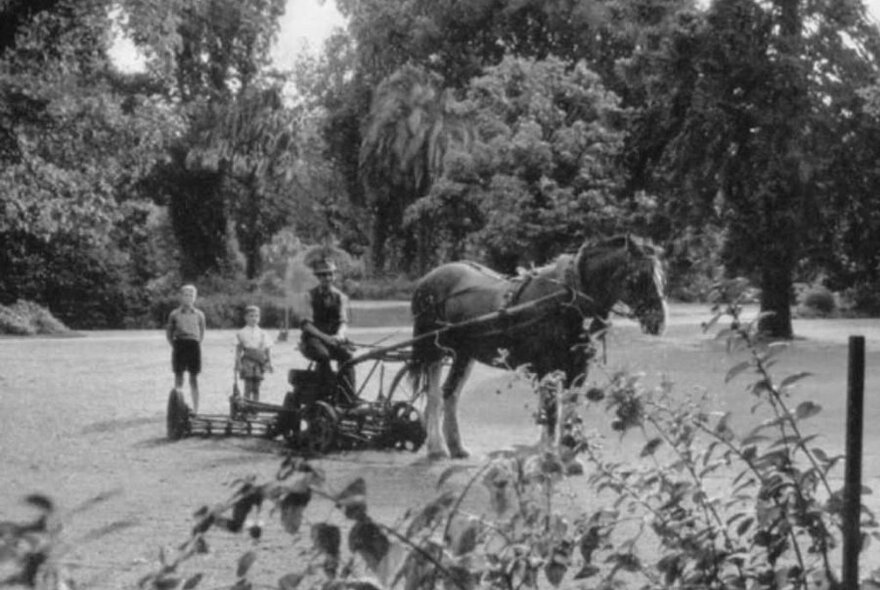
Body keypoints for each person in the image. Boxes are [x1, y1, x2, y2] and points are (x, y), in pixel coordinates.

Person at [300, 259, 355, 391]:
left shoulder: (341, 297)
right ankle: (326, 391)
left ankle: (348, 396)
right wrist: (326, 338)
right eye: (323, 275)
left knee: (347, 357)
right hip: (313, 339)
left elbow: (343, 321)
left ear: (334, 276)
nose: (327, 278)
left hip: (333, 338)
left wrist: (340, 334)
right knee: (323, 356)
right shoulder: (308, 296)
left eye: (330, 274)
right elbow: (306, 325)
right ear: (318, 277)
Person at [166, 284, 206, 413]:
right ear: (180, 297)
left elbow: (202, 332)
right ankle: (178, 406)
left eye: (191, 295)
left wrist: (196, 342)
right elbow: (169, 332)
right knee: (179, 376)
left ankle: (196, 408)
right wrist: (175, 345)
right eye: (185, 295)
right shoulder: (174, 314)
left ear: (195, 297)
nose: (188, 298)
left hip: (193, 345)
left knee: (193, 378)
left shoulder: (199, 315)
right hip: (179, 345)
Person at [234, 305, 273, 403]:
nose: (254, 318)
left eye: (256, 316)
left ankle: (255, 409)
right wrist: (238, 363)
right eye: (251, 316)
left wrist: (269, 362)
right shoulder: (241, 332)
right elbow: (238, 349)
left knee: (257, 387)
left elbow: (267, 349)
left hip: (259, 361)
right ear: (245, 317)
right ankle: (246, 408)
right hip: (247, 361)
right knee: (248, 386)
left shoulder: (262, 333)